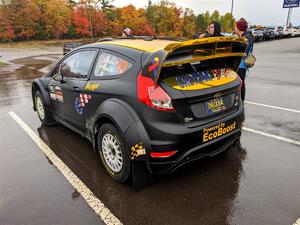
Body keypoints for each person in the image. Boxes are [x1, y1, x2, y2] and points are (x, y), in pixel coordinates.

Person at [234, 18, 254, 102]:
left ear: (239, 28)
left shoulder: (247, 38)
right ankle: (240, 101)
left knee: (241, 85)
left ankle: (241, 102)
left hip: (242, 66)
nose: (234, 28)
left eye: (235, 26)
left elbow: (244, 51)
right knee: (239, 84)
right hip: (239, 65)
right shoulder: (244, 37)